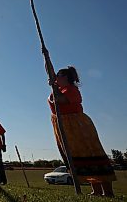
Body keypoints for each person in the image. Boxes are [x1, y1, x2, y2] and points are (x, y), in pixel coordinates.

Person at [48, 66, 116, 197]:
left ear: (66, 78)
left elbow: (60, 100)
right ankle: (95, 190)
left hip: (77, 125)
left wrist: (55, 87)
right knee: (78, 158)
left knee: (90, 155)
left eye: (59, 76)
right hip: (63, 126)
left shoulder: (71, 90)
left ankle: (108, 192)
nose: (56, 78)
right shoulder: (59, 89)